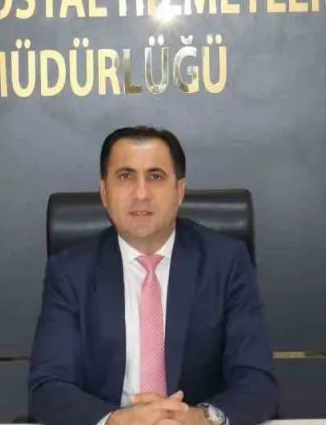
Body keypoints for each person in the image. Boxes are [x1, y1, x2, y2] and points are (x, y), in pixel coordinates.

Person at [28, 126, 279, 425]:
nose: (141, 194)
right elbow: (48, 387)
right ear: (104, 193)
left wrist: (202, 418)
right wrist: (116, 421)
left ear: (179, 191)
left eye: (156, 176)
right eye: (125, 176)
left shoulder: (226, 263)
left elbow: (256, 381)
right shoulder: (70, 271)